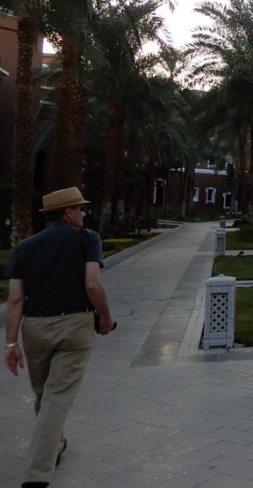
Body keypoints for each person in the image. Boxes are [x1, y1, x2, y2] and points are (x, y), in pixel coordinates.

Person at [4, 187, 114, 488]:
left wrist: (11, 343)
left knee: (47, 395)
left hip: (35, 329)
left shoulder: (24, 247)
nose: (84, 213)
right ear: (68, 212)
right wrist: (105, 317)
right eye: (81, 208)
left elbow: (15, 299)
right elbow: (93, 284)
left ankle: (55, 445)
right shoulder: (87, 238)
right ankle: (36, 477)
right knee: (54, 397)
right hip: (75, 327)